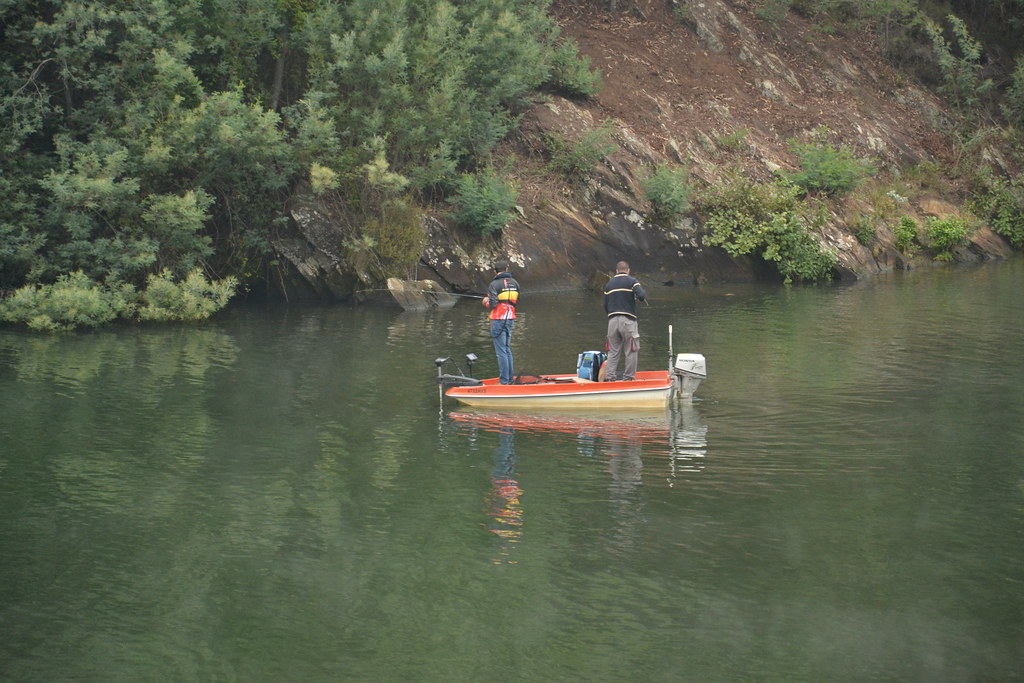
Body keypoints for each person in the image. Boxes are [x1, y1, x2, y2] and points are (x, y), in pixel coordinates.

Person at [603, 260, 645, 381]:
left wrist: (611, 316)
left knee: (612, 352)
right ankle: (628, 379)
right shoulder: (632, 281)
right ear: (628, 271)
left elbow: (605, 304)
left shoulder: (609, 284)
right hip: (628, 320)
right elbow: (641, 296)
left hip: (612, 321)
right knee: (631, 350)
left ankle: (610, 379)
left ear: (616, 271)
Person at [483, 261, 519, 385]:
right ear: (507, 269)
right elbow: (516, 301)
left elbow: (492, 304)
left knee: (501, 352)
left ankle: (504, 381)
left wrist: (485, 302)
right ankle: (509, 379)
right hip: (510, 318)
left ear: (495, 271)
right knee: (507, 349)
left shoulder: (494, 284)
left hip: (498, 319)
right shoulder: (515, 283)